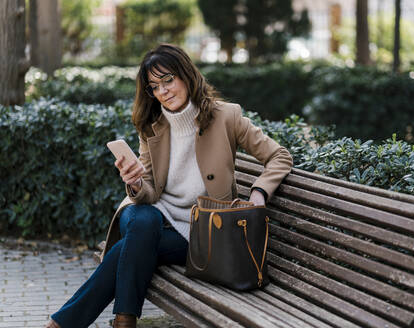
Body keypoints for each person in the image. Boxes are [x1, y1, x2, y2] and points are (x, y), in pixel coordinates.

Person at [45, 43, 292, 328]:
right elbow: (149, 191)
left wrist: (259, 193)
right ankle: (122, 320)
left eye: (168, 80)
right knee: (142, 221)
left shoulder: (227, 116)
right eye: (154, 86)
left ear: (186, 76)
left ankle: (80, 323)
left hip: (202, 232)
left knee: (127, 249)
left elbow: (279, 156)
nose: (163, 91)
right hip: (151, 216)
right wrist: (136, 183)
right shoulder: (152, 125)